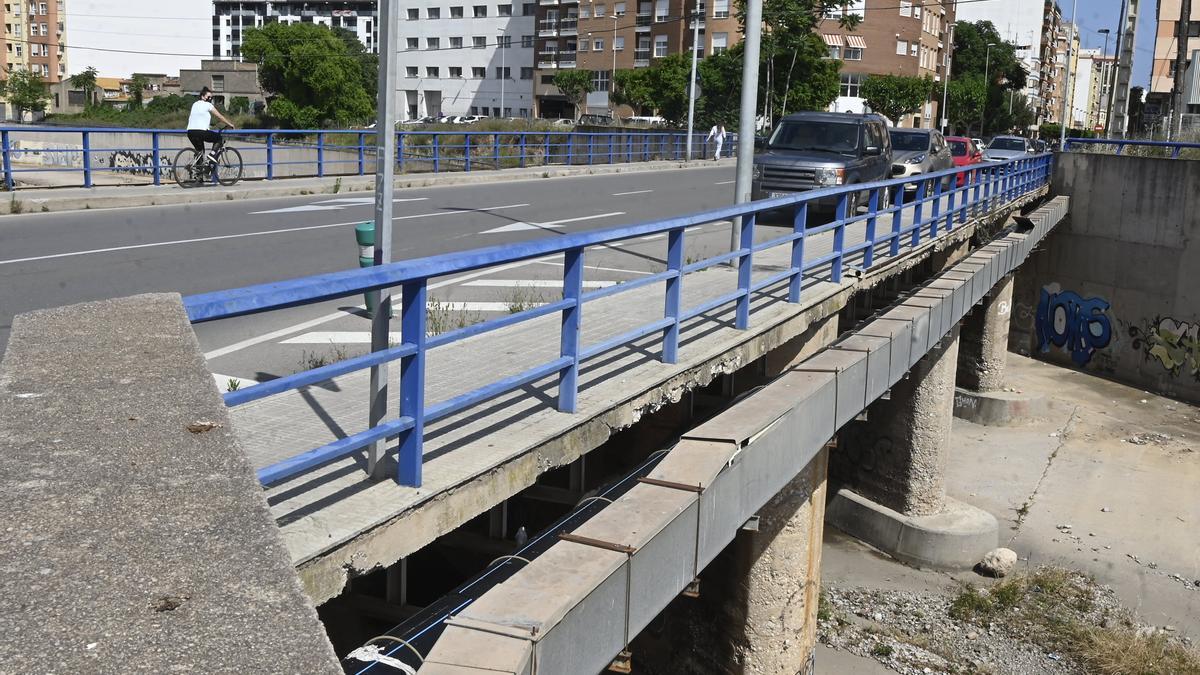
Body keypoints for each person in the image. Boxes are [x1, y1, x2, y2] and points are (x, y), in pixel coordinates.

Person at [186, 87, 235, 169]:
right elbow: (219, 116)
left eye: (211, 97)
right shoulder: (208, 105)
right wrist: (229, 124)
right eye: (208, 97)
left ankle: (199, 176)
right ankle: (212, 155)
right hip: (201, 132)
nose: (210, 98)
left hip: (190, 132)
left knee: (200, 152)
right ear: (202, 96)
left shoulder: (194, 104)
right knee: (219, 138)